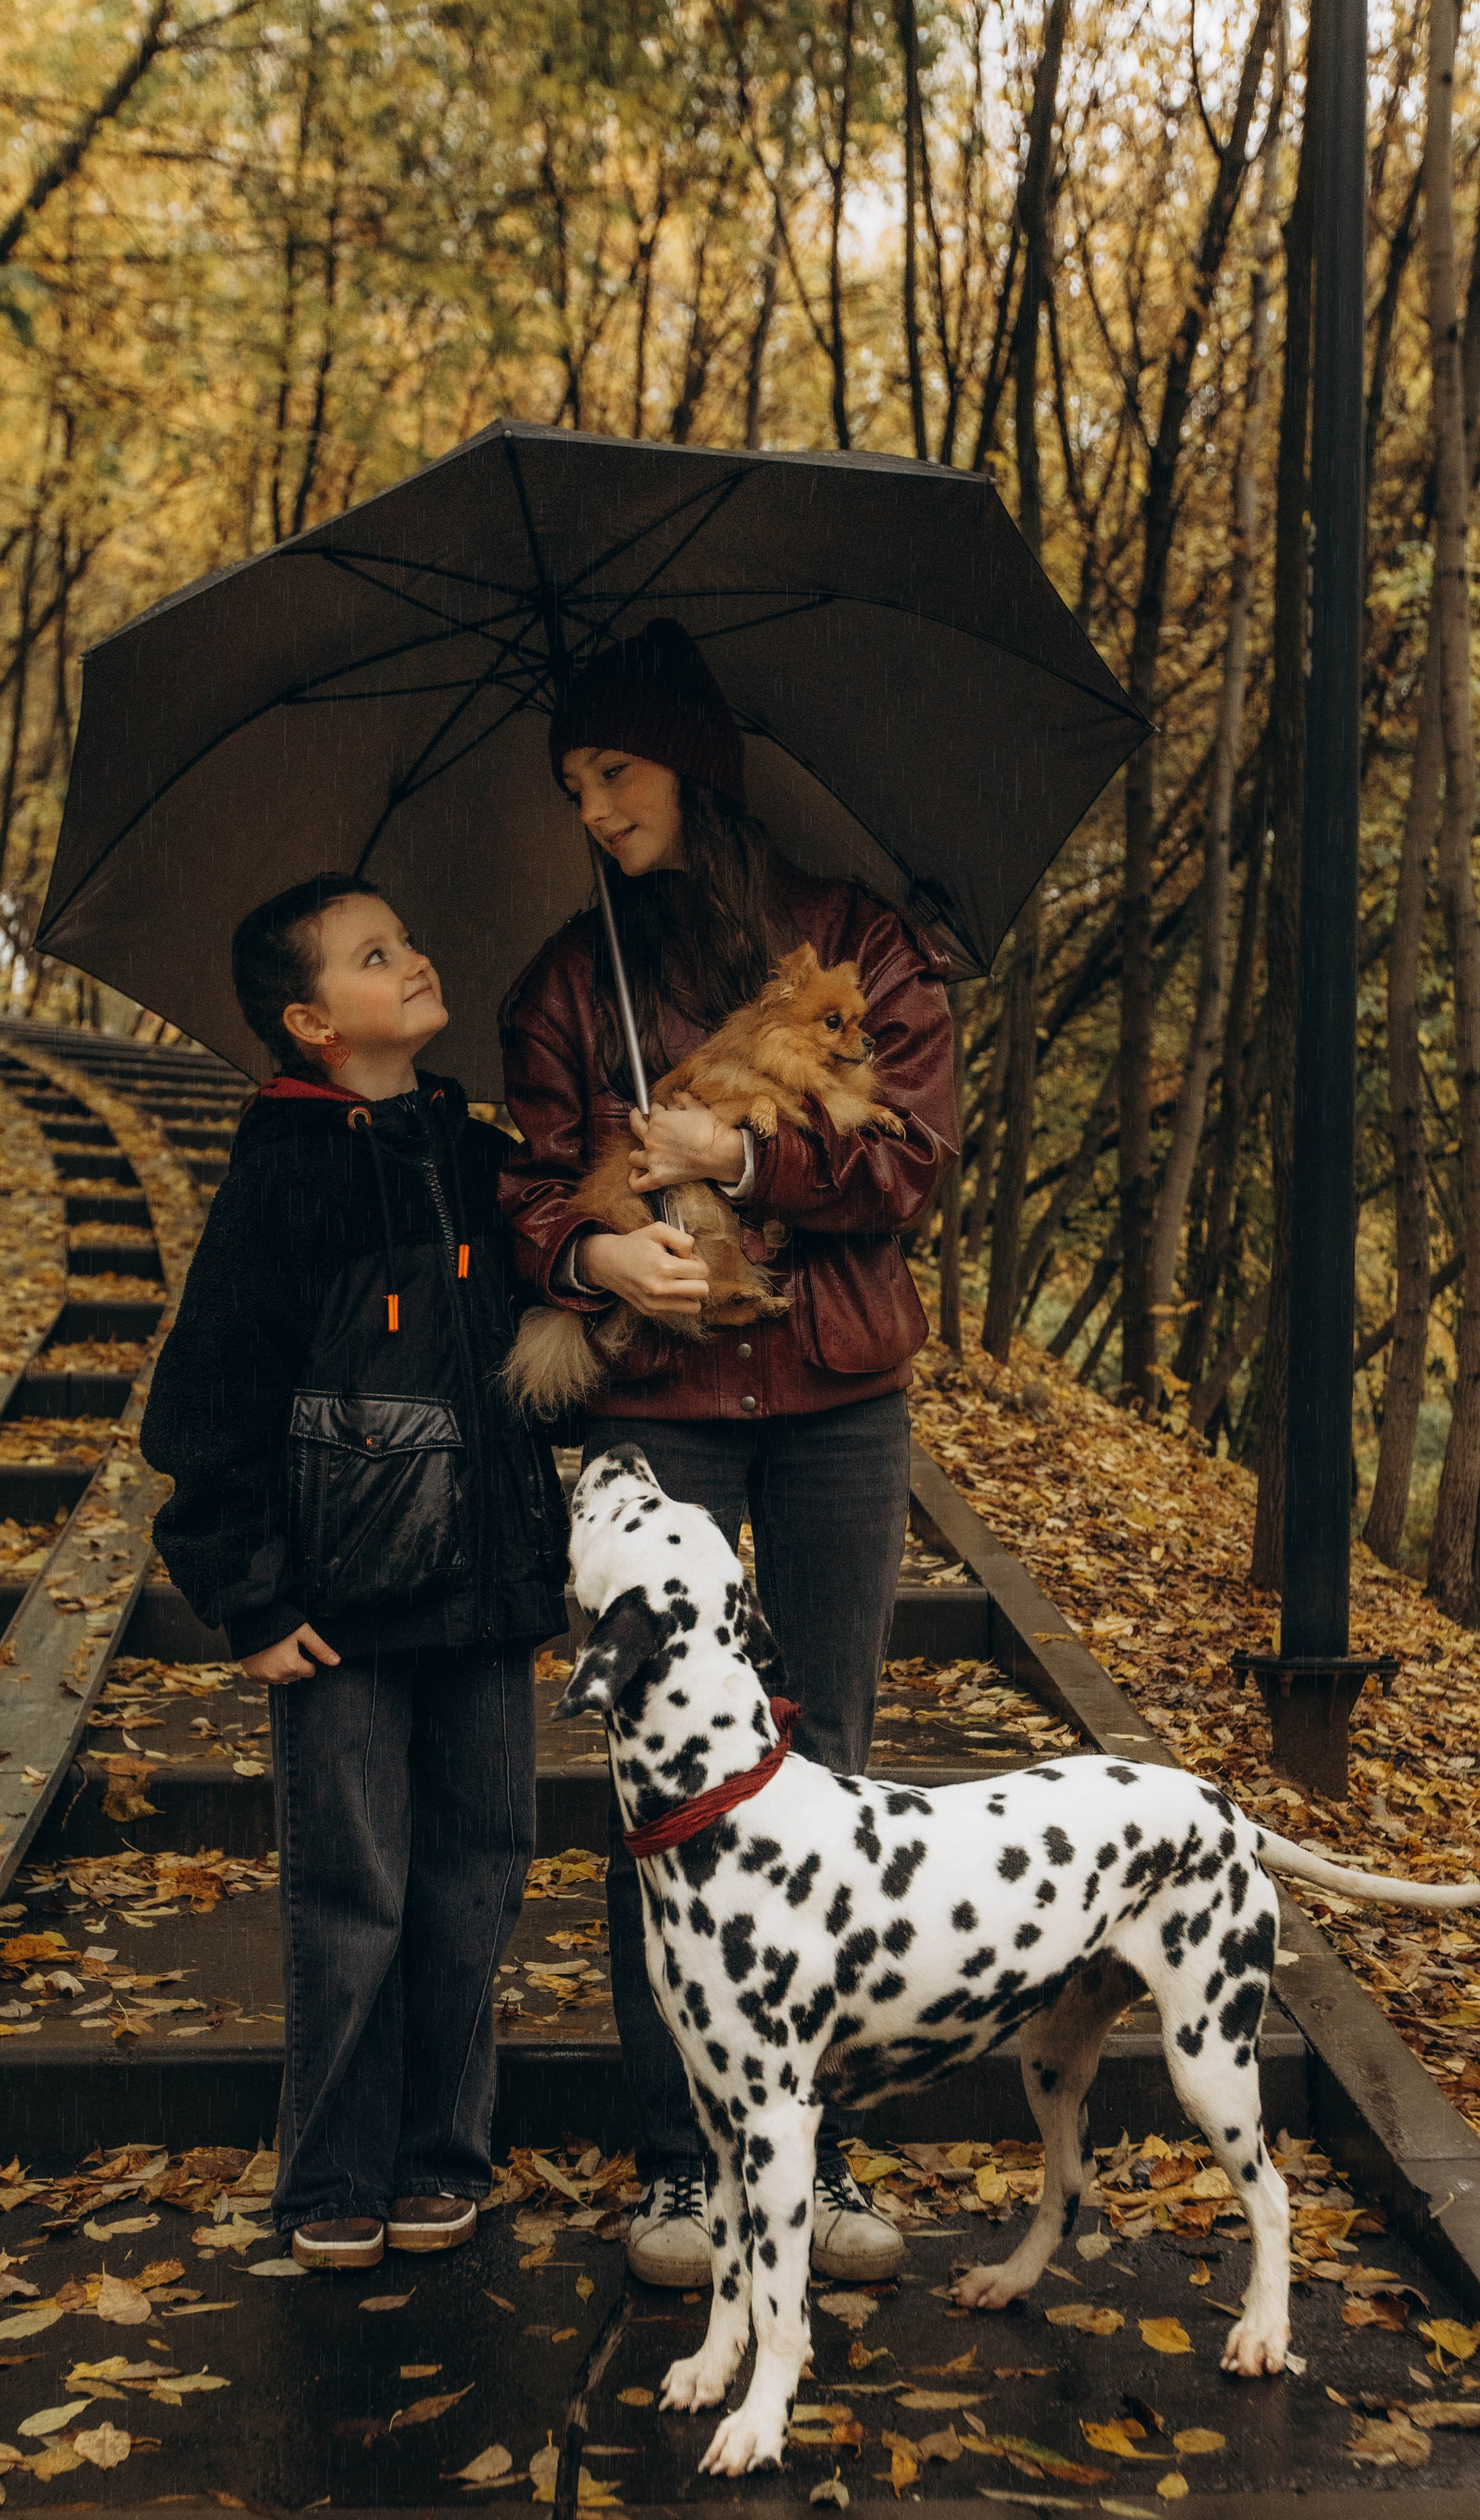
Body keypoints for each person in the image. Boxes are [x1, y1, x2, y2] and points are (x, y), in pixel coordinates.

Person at [499, 619, 958, 2288]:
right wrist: (596, 1255)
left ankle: (814, 2151)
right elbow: (530, 1184)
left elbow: (912, 1166)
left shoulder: (854, 941)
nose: (589, 809)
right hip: (659, 1423)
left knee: (818, 1761)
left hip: (836, 1406)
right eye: (570, 784)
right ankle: (682, 2165)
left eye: (607, 773)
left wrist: (744, 1168)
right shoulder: (565, 981)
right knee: (667, 1791)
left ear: (687, 766)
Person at [141, 873, 569, 2273]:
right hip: (339, 1604)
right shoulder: (284, 1164)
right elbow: (207, 1399)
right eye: (377, 952)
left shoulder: (467, 1144)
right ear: (312, 1022)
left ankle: (443, 2150)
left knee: (476, 1870)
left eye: (409, 932)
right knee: (355, 1887)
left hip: (484, 1591)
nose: (417, 954)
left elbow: (525, 1332)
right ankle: (330, 2167)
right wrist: (249, 1596)